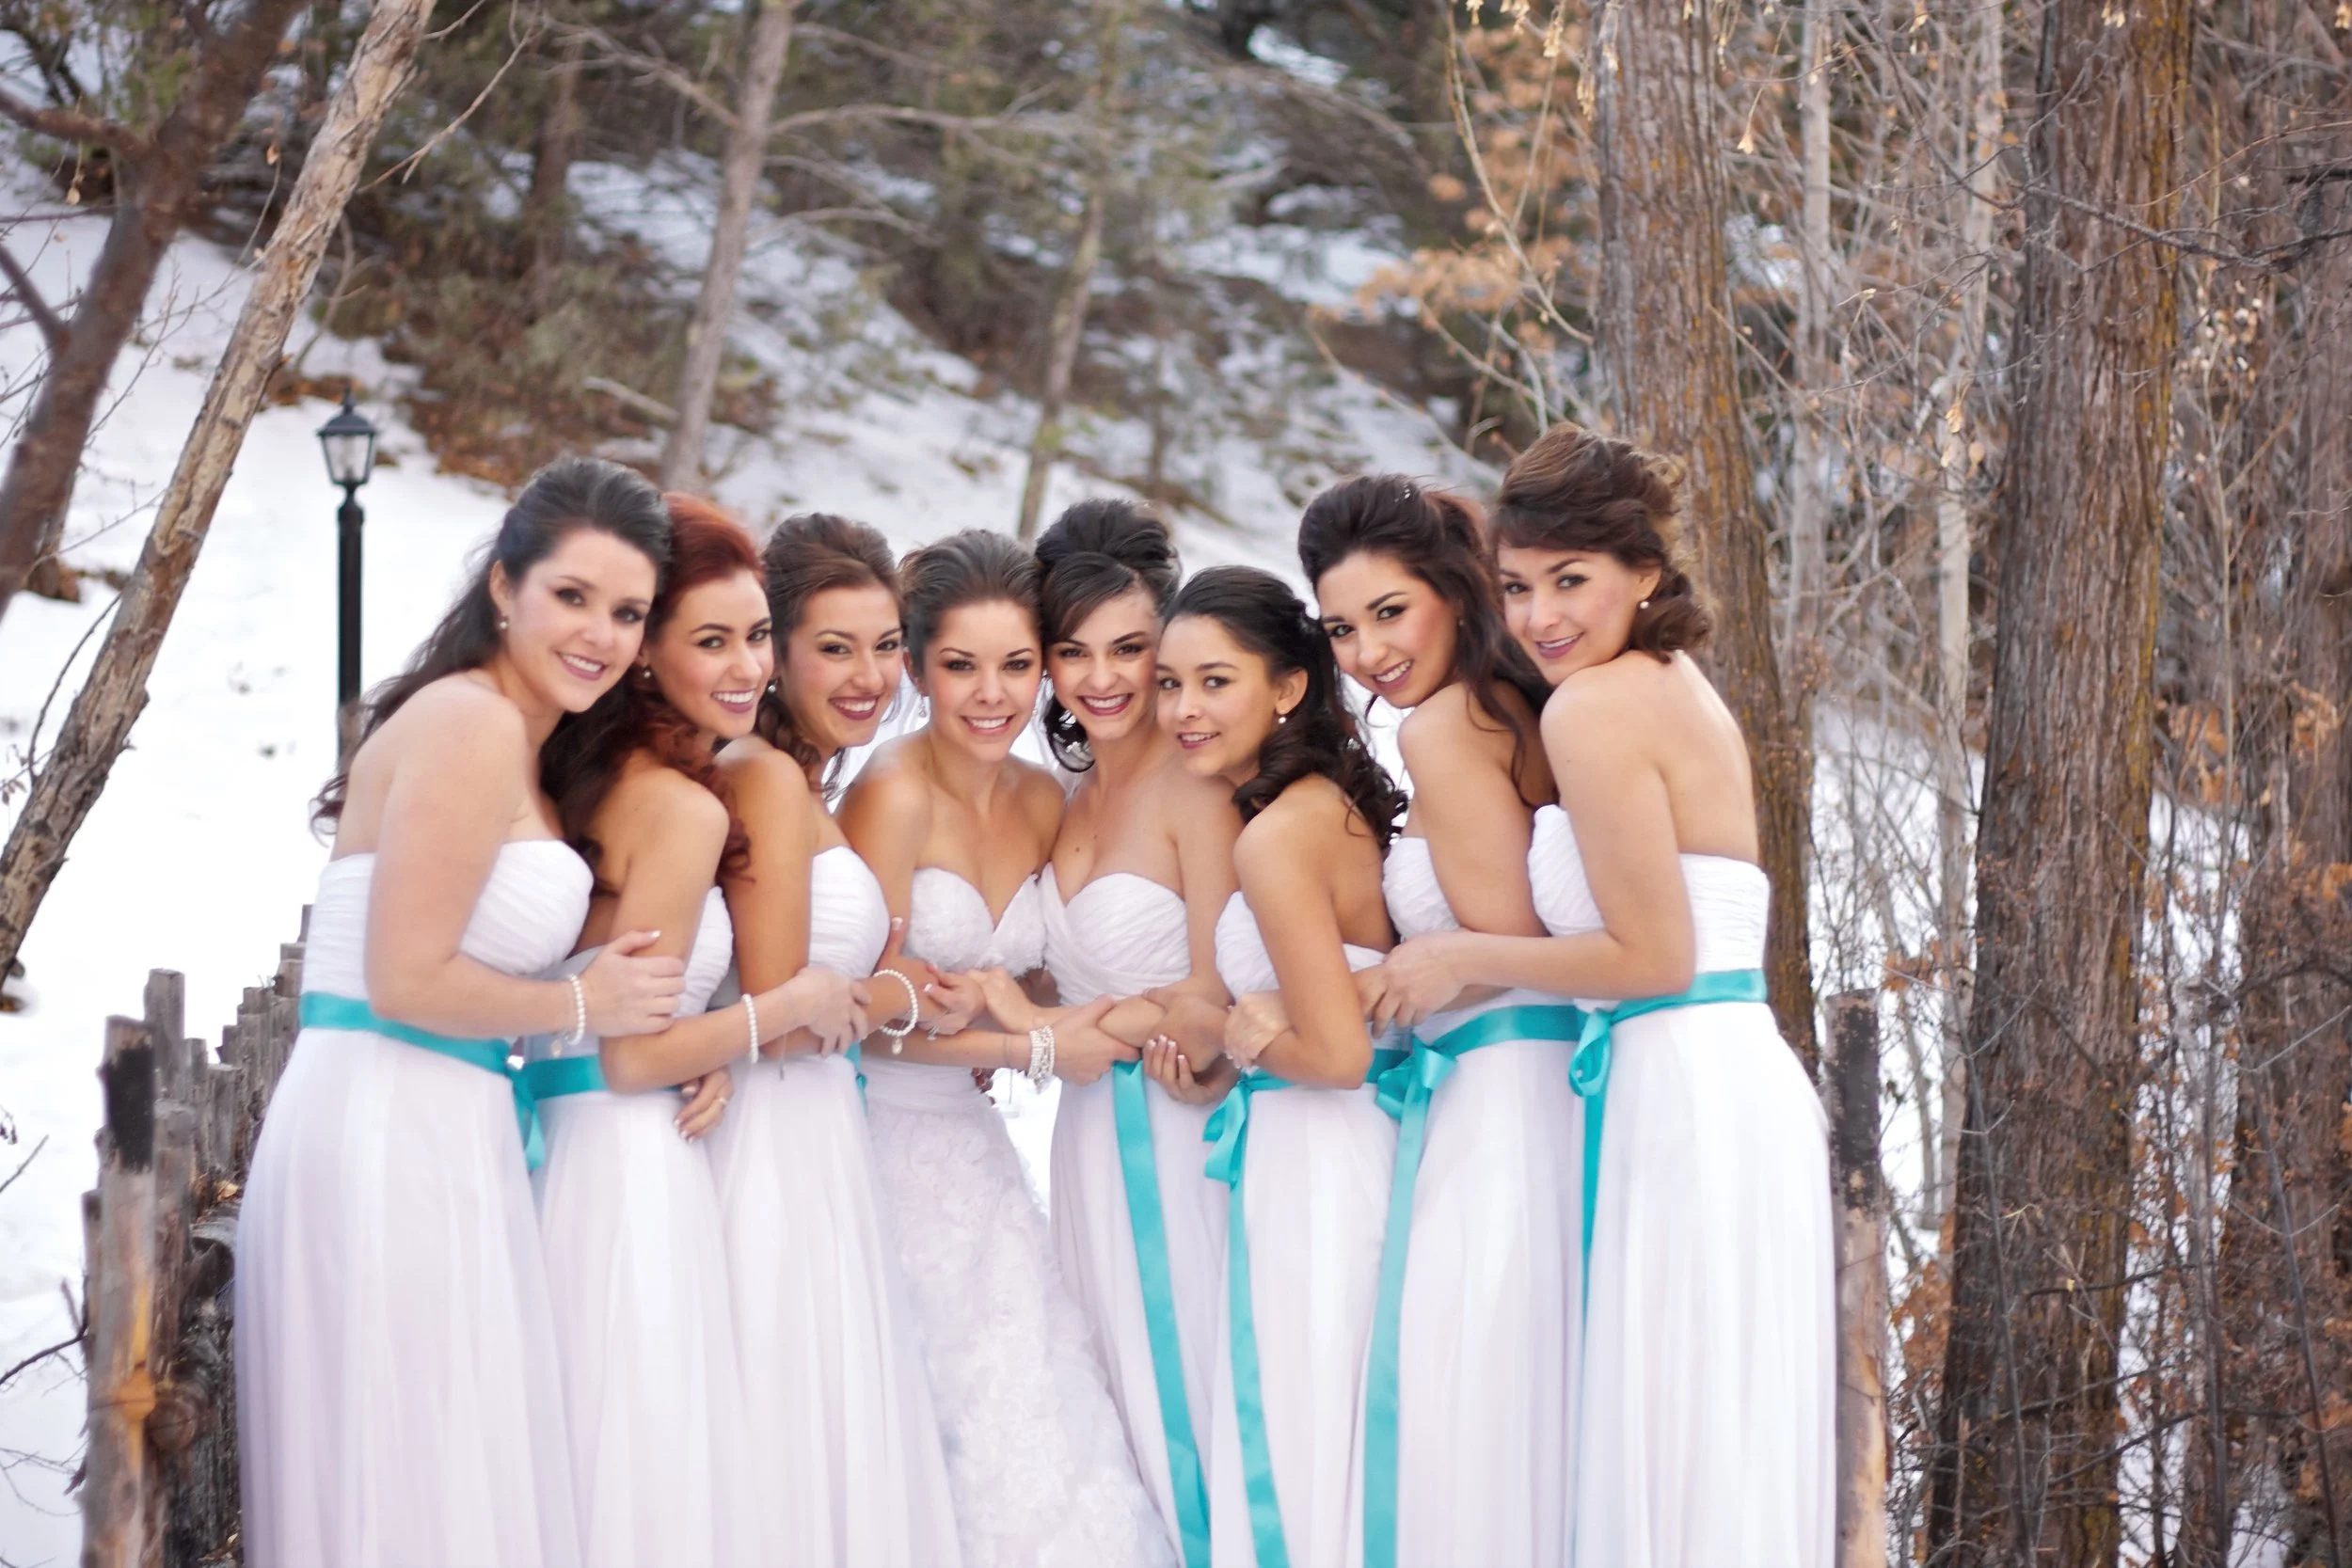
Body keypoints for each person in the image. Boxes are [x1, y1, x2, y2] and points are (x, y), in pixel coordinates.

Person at [1377, 426, 1836, 1567]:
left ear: (1645, 571)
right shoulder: (1672, 684)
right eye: (1518, 587)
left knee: (1674, 1431)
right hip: (1718, 1078)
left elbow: (1649, 957)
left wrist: (1455, 956)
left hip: (1681, 1079)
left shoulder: (1594, 708)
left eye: (1570, 582)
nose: (1540, 618)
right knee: (1703, 1440)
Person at [236, 456, 685, 1568]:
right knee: (410, 1477)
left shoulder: (521, 742)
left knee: (443, 1471)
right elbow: (406, 976)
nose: (600, 633)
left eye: (626, 612)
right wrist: (585, 1000)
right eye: (571, 596)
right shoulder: (468, 722)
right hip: (390, 1117)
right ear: (503, 585)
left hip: (446, 1120)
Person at [528, 498, 872, 1567]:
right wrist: (783, 1008)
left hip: (612, 1143)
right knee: (647, 1478)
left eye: (755, 635)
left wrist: (721, 1033)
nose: (748, 668)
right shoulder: (681, 805)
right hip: (629, 1163)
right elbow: (630, 1049)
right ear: (642, 656)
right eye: (710, 641)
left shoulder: (634, 778)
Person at [839, 527, 1177, 1568]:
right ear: (918, 667)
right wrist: (1030, 1047)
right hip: (875, 1141)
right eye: (960, 667)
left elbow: (1025, 972)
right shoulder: (889, 795)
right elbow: (860, 1024)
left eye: (1018, 665)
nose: (993, 695)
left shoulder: (1041, 797)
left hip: (977, 1152)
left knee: (1022, 1408)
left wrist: (1022, 1009)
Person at [1298, 474, 1583, 1568]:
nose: (1367, 650)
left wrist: (1355, 994)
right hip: (1518, 1085)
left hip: (1501, 1102)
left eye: (1388, 611)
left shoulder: (1447, 726)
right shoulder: (1505, 702)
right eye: (1340, 627)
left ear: (1453, 592)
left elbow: (1500, 936)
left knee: (1470, 1399)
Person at [708, 512, 962, 1566]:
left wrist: (882, 990)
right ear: (773, 653)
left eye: (886, 645)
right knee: (778, 1421)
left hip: (818, 1132)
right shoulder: (763, 777)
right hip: (767, 1135)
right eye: (834, 647)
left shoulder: (807, 780)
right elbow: (782, 1002)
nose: (870, 675)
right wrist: (885, 990)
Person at [1002, 499, 1239, 1568]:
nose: (1102, 677)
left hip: (1186, 1131)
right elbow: (1052, 960)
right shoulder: (1070, 795)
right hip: (1088, 1136)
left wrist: (1038, 1027)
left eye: (1131, 649)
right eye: (1073, 651)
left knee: (1191, 1384)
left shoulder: (1202, 787)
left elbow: (1216, 984)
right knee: (1108, 1402)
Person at [1155, 563, 1404, 1568]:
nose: (1181, 708)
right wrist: (1230, 1064)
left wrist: (1249, 1040)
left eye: (1214, 681)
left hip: (1317, 1159)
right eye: (1169, 683)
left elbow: (1336, 1052)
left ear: (1287, 685)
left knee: (1295, 1425)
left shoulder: (1279, 834)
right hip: (1323, 1142)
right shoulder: (1317, 804)